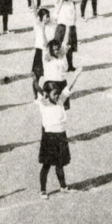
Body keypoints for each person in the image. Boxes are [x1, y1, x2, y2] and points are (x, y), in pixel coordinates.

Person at [35, 67, 82, 197]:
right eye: (54, 94)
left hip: (61, 136)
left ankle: (63, 186)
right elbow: (38, 89)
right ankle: (43, 190)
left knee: (60, 164)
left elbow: (69, 88)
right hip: (49, 137)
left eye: (57, 93)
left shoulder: (60, 100)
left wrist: (76, 75)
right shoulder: (43, 104)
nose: (57, 96)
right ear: (47, 94)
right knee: (46, 165)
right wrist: (35, 80)